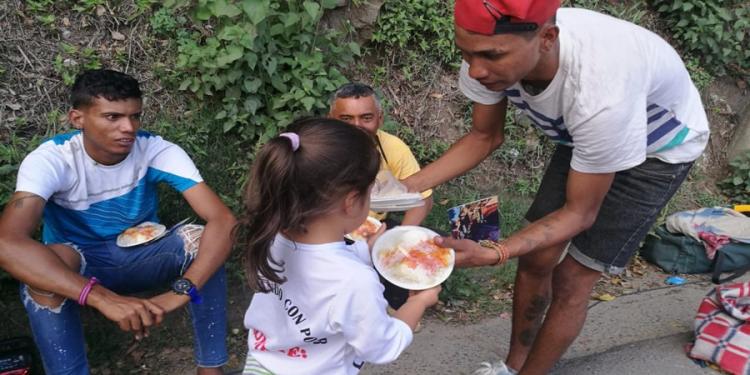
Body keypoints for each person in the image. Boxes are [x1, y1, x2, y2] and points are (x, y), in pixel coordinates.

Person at [402, 1, 710, 374]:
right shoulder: (484, 57)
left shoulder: (599, 93)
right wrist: (402, 187)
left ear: (547, 38)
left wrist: (497, 251)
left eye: (491, 56)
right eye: (465, 53)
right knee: (537, 256)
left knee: (572, 280)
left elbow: (581, 213)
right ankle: (513, 366)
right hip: (584, 138)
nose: (475, 70)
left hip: (658, 151)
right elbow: (484, 136)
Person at [0, 69, 236, 374]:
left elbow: (224, 219)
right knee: (40, 274)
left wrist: (181, 292)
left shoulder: (153, 149)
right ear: (77, 119)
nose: (128, 128)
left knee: (205, 239)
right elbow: (7, 243)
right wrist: (102, 298)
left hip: (144, 252)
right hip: (80, 263)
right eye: (112, 117)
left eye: (134, 116)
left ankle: (211, 367)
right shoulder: (52, 159)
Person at [237, 118, 440, 374]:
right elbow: (383, 346)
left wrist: (365, 250)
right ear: (352, 201)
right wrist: (419, 302)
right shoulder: (355, 282)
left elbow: (320, 268)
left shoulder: (270, 235)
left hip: (262, 363)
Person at [328, 83, 434, 227]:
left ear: (380, 119)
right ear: (330, 119)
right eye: (346, 119)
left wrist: (400, 236)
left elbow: (423, 198)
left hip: (371, 227)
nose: (356, 126)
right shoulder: (317, 149)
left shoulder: (394, 148)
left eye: (366, 118)